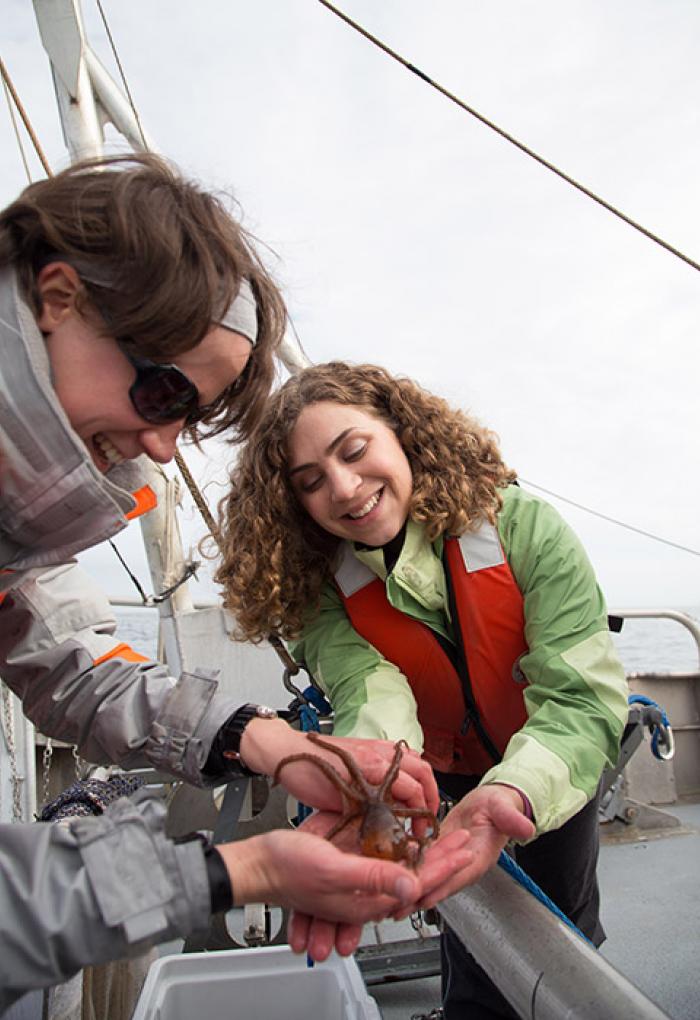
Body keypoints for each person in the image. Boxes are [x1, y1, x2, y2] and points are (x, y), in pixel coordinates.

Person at [0, 163, 471, 1013]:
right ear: (58, 297)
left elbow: (73, 665)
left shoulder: (15, 539)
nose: (160, 446)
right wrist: (239, 870)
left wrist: (263, 741)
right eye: (163, 389)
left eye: (189, 417)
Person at [216, 361, 630, 1020]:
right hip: (430, 780)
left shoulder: (525, 528)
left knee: (568, 930)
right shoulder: (325, 590)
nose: (346, 489)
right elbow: (367, 683)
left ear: (402, 432)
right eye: (311, 481)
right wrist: (374, 783)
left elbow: (579, 698)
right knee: (468, 943)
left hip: (552, 771)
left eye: (354, 451)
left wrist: (514, 789)